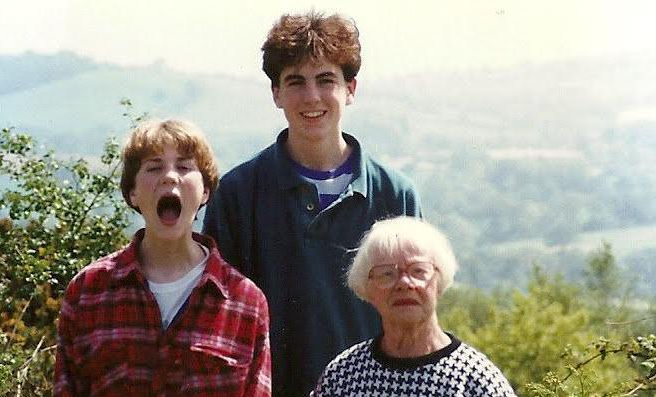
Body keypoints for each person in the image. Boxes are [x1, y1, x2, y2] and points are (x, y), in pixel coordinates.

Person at [203, 10, 422, 396]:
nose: (312, 97)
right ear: (276, 93)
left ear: (350, 89)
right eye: (295, 82)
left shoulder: (394, 194)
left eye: (326, 80)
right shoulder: (237, 194)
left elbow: (416, 318)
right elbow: (219, 322)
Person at [54, 119, 271, 396]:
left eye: (184, 167)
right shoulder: (88, 292)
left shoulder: (245, 302)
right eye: (154, 167)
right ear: (132, 193)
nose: (169, 177)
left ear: (205, 191)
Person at [311, 216, 516, 396]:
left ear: (439, 281)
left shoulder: (476, 379)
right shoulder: (344, 375)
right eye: (387, 274)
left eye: (418, 271)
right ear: (367, 289)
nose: (404, 284)